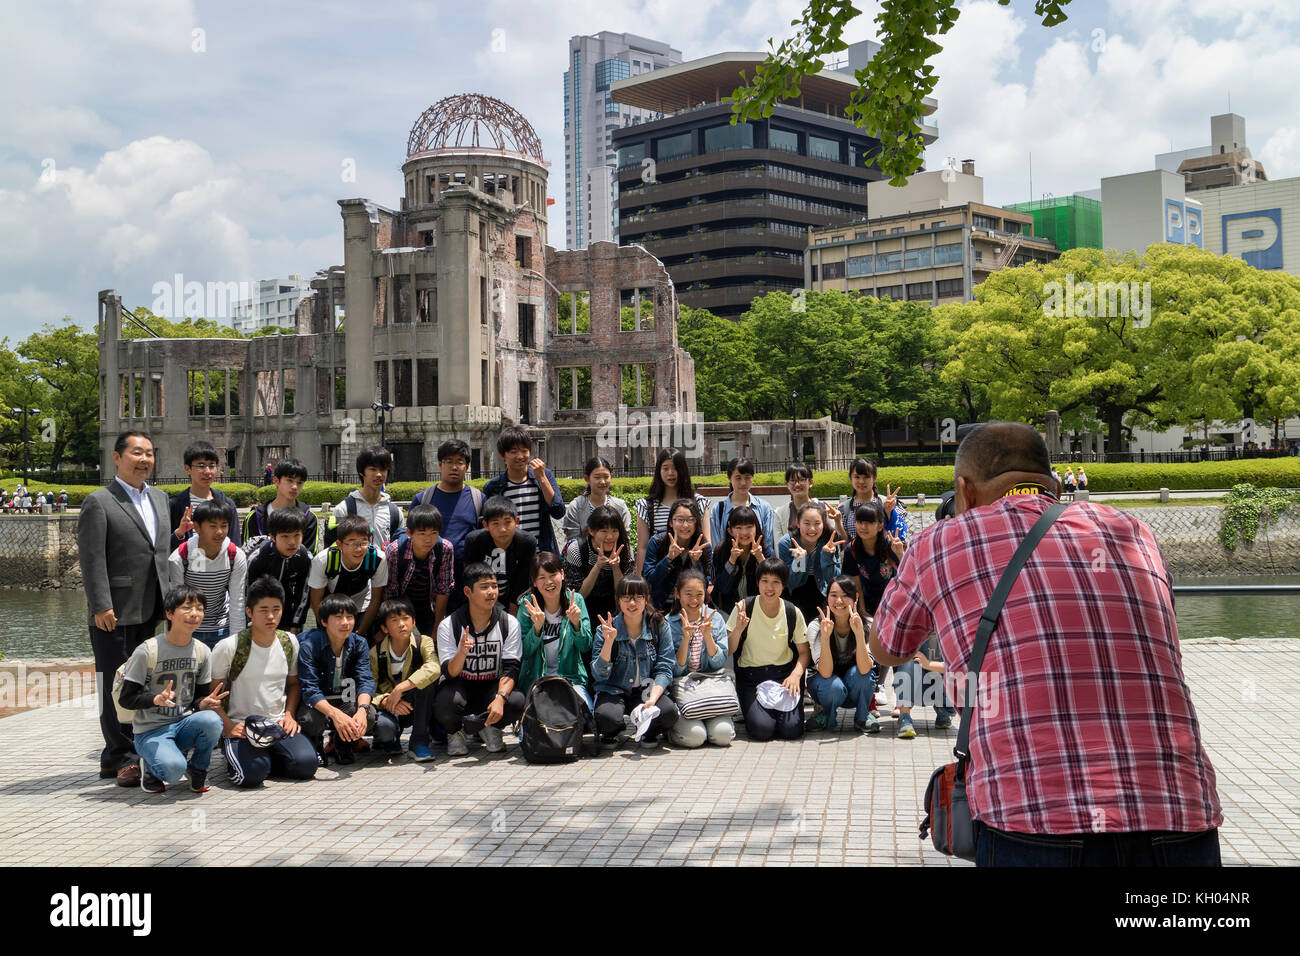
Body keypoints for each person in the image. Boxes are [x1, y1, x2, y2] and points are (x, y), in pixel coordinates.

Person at [871, 421, 1223, 867]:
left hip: (1033, 816)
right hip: (1177, 809)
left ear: (965, 490)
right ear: (1054, 483)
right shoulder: (1134, 533)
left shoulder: (940, 541)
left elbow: (886, 647)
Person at [79, 431, 172, 786]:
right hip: (113, 611)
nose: (144, 459)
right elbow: (92, 559)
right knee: (113, 684)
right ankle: (123, 757)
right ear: (117, 458)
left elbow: (157, 554)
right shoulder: (99, 501)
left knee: (138, 681)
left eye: (149, 453)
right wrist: (101, 604)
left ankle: (111, 756)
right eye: (136, 453)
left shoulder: (160, 499)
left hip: (151, 607)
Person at [116, 585, 228, 794]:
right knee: (174, 771)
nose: (194, 614)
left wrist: (203, 704)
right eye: (187, 608)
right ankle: (150, 768)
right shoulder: (147, 650)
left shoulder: (202, 651)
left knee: (212, 720)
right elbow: (127, 698)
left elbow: (198, 699)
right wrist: (155, 699)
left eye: (199, 608)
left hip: (183, 724)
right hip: (151, 731)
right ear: (169, 614)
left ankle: (198, 770)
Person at [210, 576, 317, 787]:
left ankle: (266, 758)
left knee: (306, 766)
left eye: (276, 609)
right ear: (249, 612)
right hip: (241, 727)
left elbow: (294, 684)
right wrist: (229, 726)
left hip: (277, 725)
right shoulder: (229, 647)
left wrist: (289, 715)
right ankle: (248, 759)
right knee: (250, 777)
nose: (271, 616)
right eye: (263, 610)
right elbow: (213, 696)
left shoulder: (289, 641)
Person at [435, 562, 526, 756]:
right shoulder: (448, 625)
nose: (491, 592)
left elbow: (512, 668)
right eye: (484, 587)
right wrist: (461, 653)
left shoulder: (509, 622)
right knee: (445, 702)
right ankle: (455, 732)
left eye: (494, 586)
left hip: (491, 687)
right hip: (460, 687)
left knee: (516, 700)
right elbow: (449, 673)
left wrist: (501, 698)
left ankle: (491, 728)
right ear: (468, 591)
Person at [590, 574, 679, 749]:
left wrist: (652, 699)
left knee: (668, 713)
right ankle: (615, 731)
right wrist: (608, 642)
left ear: (646, 599)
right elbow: (599, 675)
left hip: (647, 688)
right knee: (606, 718)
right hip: (614, 689)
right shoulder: (605, 629)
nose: (632, 603)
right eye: (626, 597)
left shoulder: (659, 625)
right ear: (618, 600)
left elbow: (665, 667)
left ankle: (648, 731)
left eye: (639, 597)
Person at [725, 558, 810, 742]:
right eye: (764, 581)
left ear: (783, 585)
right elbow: (729, 649)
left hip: (783, 678)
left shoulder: (792, 612)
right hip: (751, 678)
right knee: (762, 730)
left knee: (792, 730)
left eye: (775, 582)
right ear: (757, 583)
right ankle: (757, 712)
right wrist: (739, 628)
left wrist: (796, 675)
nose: (769, 588)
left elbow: (804, 652)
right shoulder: (743, 608)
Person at [295, 593, 377, 765]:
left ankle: (342, 743)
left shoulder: (359, 643)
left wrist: (362, 710)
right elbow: (309, 689)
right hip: (317, 703)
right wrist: (335, 714)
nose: (345, 622)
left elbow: (365, 681)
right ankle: (315, 743)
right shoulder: (309, 644)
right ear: (324, 621)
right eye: (338, 617)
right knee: (310, 720)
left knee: (369, 715)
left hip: (344, 699)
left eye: (349, 617)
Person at [412, 439, 485, 609]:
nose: (454, 467)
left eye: (459, 462)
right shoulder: (423, 499)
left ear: (466, 466)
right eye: (448, 462)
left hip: (466, 580)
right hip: (428, 578)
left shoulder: (478, 499)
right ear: (439, 464)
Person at [664, 569, 733, 748]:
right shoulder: (667, 623)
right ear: (677, 594)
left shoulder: (715, 619)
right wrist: (685, 638)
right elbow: (675, 670)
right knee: (695, 737)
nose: (694, 600)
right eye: (688, 594)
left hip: (710, 688)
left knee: (723, 735)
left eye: (699, 595)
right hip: (682, 690)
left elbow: (718, 663)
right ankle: (671, 730)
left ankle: (707, 722)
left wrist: (708, 635)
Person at [167, 499, 247, 650]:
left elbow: (238, 601)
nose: (219, 532)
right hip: (189, 630)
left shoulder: (235, 556)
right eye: (212, 526)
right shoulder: (181, 557)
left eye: (224, 526)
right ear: (197, 527)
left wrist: (237, 643)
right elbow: (177, 603)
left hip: (222, 629)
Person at [518, 553, 593, 711]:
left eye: (553, 575)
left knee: (586, 714)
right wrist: (537, 629)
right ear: (534, 582)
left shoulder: (576, 600)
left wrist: (576, 624)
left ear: (563, 574)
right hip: (537, 679)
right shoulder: (527, 606)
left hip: (570, 679)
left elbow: (586, 646)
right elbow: (523, 653)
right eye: (542, 577)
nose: (549, 582)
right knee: (541, 719)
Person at [369, 597, 441, 761]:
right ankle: (389, 739)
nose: (402, 624)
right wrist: (386, 700)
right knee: (384, 729)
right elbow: (369, 689)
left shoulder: (424, 642)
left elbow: (434, 668)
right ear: (384, 628)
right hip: (390, 706)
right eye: (394, 620)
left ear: (414, 621)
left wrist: (400, 688)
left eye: (406, 618)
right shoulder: (375, 652)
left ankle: (418, 743)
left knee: (427, 685)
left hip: (415, 704)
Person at [804, 576, 877, 733]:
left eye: (845, 595)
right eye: (834, 595)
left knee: (863, 676)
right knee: (833, 686)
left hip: (854, 683)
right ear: (827, 597)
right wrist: (825, 638)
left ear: (855, 597)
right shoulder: (816, 627)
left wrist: (858, 634)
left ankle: (863, 717)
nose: (839, 601)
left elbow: (865, 669)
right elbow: (825, 672)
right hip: (826, 685)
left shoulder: (868, 625)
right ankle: (825, 713)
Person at [483, 424, 565, 556]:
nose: (520, 456)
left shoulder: (545, 476)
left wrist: (542, 479)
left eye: (524, 451)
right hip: (509, 556)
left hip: (541, 554)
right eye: (513, 452)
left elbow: (558, 511)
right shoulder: (493, 487)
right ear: (502, 455)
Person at [308, 514, 388, 639]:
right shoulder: (323, 560)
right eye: (352, 543)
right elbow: (315, 600)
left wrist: (360, 634)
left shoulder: (378, 559)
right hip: (332, 605)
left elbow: (376, 599)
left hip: (362, 604)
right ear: (339, 545)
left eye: (363, 542)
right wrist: (326, 629)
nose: (358, 549)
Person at [633, 448, 711, 573]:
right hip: (660, 575)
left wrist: (708, 576)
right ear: (658, 471)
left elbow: (706, 543)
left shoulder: (699, 503)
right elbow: (643, 547)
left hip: (692, 575)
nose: (671, 473)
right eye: (665, 468)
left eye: (675, 468)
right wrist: (642, 582)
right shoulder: (646, 506)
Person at [384, 504, 454, 639]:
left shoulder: (445, 549)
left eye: (434, 533)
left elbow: (443, 590)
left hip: (430, 606)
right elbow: (389, 592)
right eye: (422, 533)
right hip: (401, 605)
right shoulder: (395, 551)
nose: (428, 539)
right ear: (409, 532)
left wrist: (437, 627)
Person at [462, 496, 537, 615]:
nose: (502, 529)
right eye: (495, 523)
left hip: (513, 598)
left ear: (516, 522)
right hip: (481, 598)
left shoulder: (527, 543)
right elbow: (471, 576)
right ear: (486, 525)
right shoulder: (474, 541)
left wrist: (514, 605)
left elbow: (523, 578)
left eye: (507, 522)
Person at [244, 509, 313, 634]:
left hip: (286, 608)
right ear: (273, 537)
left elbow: (303, 594)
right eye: (285, 536)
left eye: (297, 535)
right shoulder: (258, 557)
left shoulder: (305, 558)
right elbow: (245, 592)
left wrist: (296, 624)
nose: (292, 542)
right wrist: (250, 621)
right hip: (257, 610)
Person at [563, 504, 632, 623]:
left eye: (614, 531)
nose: (610, 537)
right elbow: (577, 596)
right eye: (604, 531)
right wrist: (598, 566)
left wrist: (616, 568)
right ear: (591, 530)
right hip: (584, 612)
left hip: (616, 612)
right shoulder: (576, 549)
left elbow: (627, 596)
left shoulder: (625, 550)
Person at [169, 439, 241, 551]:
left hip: (220, 567)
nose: (207, 471)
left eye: (212, 465)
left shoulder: (227, 504)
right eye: (201, 466)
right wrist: (180, 533)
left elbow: (235, 546)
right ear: (187, 469)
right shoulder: (175, 505)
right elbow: (165, 548)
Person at [777, 502, 845, 621]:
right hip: (796, 592)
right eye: (806, 523)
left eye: (817, 523)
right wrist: (800, 561)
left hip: (822, 590)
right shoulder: (787, 543)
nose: (812, 529)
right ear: (798, 523)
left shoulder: (830, 541)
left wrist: (827, 557)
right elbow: (791, 583)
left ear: (823, 524)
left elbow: (834, 579)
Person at [327, 446, 404, 550]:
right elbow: (334, 549)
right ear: (362, 473)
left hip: (385, 566)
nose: (378, 474)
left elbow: (399, 548)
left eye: (383, 469)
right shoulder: (344, 509)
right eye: (373, 469)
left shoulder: (395, 513)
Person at [643, 498, 712, 611]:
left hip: (691, 609)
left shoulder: (704, 547)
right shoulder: (657, 542)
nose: (685, 525)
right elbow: (649, 581)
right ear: (671, 522)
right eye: (680, 520)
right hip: (659, 609)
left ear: (697, 522)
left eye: (690, 520)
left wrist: (695, 563)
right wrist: (668, 559)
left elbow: (704, 587)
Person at [840, 501, 905, 617]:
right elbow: (856, 586)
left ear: (880, 526)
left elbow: (909, 574)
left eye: (870, 522)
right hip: (867, 600)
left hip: (893, 601)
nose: (863, 527)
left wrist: (900, 553)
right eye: (859, 522)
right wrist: (863, 613)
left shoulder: (891, 546)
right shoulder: (852, 550)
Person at [243, 458, 318, 553]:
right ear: (276, 481)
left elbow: (309, 556)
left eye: (299, 482)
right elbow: (248, 554)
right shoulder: (256, 517)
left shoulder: (309, 518)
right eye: (290, 480)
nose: (295, 487)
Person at [708, 457, 777, 555]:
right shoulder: (718, 510)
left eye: (747, 477)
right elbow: (716, 547)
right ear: (729, 478)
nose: (743, 482)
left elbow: (768, 545)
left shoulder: (764, 507)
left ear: (753, 477)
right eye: (738, 478)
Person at [562, 455, 632, 544]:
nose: (602, 482)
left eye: (606, 477)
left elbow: (625, 540)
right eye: (597, 477)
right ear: (587, 479)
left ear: (611, 477)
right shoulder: (576, 507)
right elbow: (573, 542)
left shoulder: (620, 506)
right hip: (582, 556)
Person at [710, 505, 766, 616]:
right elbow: (722, 588)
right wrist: (732, 560)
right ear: (730, 531)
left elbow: (770, 582)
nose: (744, 532)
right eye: (739, 528)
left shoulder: (765, 549)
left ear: (756, 528)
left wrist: (760, 558)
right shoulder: (721, 551)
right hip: (726, 611)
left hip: (757, 610)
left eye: (749, 527)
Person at [839, 457, 906, 544]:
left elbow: (898, 530)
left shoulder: (886, 503)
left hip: (883, 556)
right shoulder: (845, 508)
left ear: (874, 478)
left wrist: (889, 512)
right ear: (851, 478)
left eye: (866, 477)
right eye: (857, 477)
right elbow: (844, 543)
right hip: (856, 556)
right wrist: (837, 521)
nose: (861, 481)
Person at [772, 463, 845, 540]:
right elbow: (779, 547)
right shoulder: (779, 514)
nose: (797, 484)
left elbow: (837, 541)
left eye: (801, 480)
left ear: (810, 482)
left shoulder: (824, 509)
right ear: (787, 485)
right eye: (792, 480)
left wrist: (838, 522)